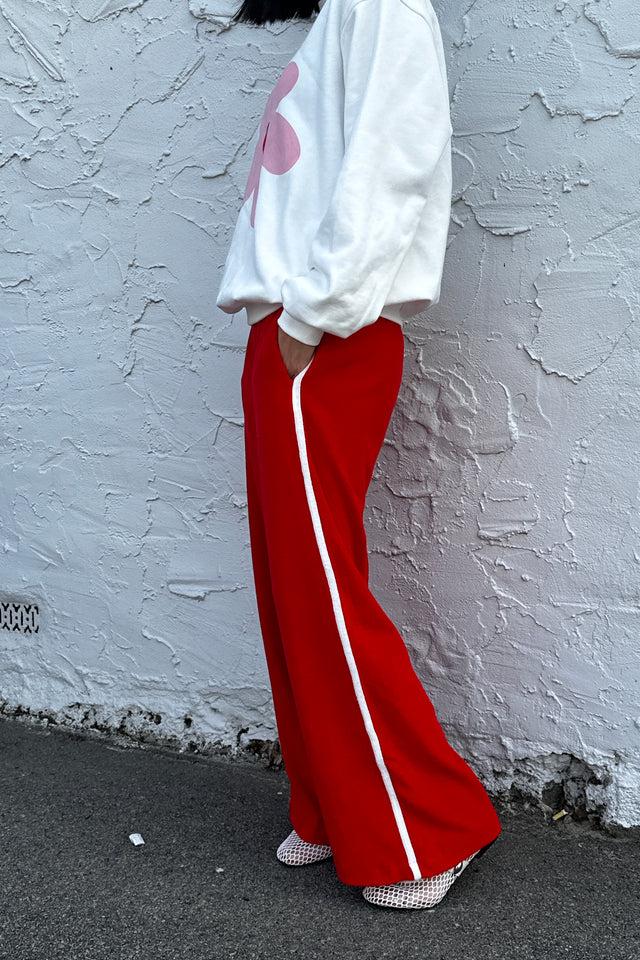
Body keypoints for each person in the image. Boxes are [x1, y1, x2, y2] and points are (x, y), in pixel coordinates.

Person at [215, 0, 502, 910]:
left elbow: (394, 165)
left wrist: (310, 318)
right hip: (291, 338)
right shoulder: (340, 13)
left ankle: (428, 827)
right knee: (289, 585)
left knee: (323, 590)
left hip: (327, 338)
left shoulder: (383, 7)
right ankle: (337, 806)